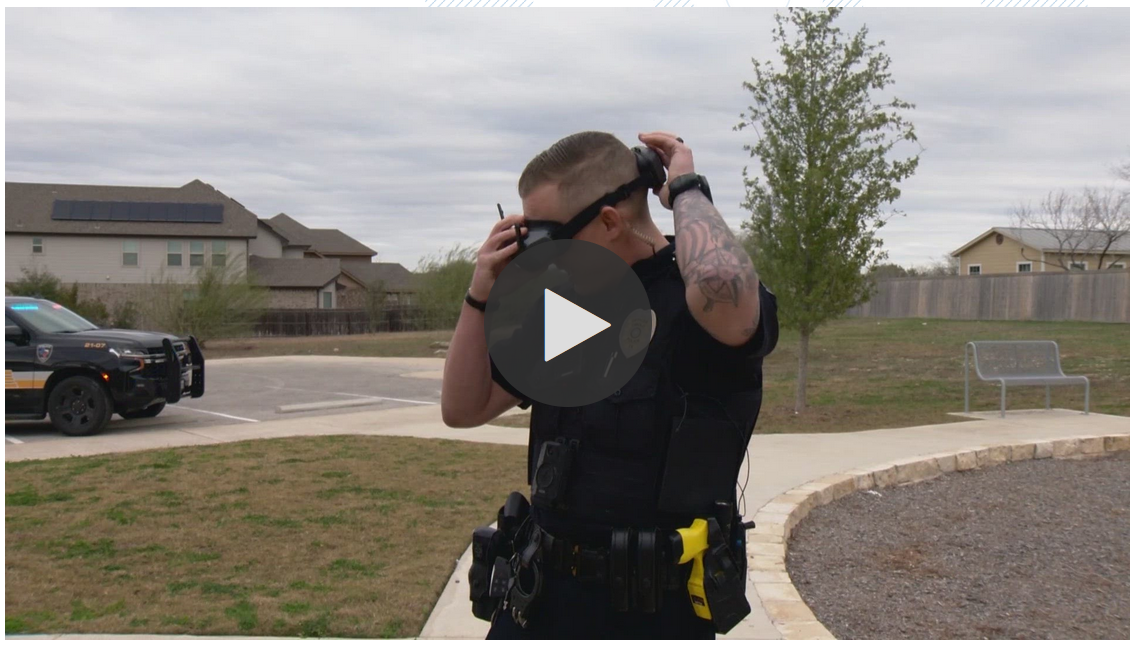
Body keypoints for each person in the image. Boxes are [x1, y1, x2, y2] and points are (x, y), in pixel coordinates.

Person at [442, 131, 778, 639]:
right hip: (538, 599)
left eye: (547, 238)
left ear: (608, 221)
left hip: (652, 615)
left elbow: (718, 279)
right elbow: (463, 407)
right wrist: (480, 293)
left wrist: (685, 187)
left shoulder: (698, 308)